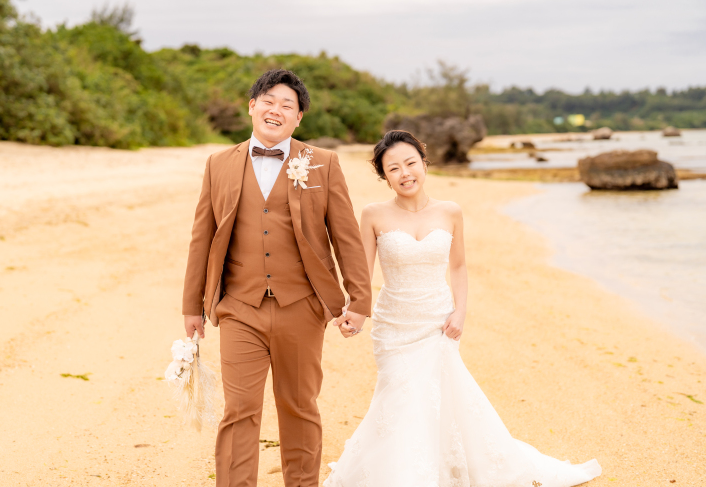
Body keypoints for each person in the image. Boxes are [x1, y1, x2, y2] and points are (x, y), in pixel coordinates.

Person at [323, 130, 602, 487]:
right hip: (394, 325)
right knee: (400, 398)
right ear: (384, 175)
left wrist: (460, 311)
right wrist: (355, 312)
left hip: (438, 320)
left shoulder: (450, 211)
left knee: (439, 397)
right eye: (393, 168)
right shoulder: (374, 214)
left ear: (424, 162)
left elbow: (458, 266)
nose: (405, 173)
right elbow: (362, 270)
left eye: (410, 163)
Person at [181, 69, 372, 487]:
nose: (276, 110)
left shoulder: (322, 162)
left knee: (300, 407)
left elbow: (346, 237)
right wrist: (192, 307)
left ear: (299, 118)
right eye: (268, 100)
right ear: (252, 106)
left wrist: (359, 302)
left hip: (301, 308)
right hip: (239, 308)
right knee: (239, 411)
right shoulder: (218, 164)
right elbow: (202, 237)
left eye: (288, 105)